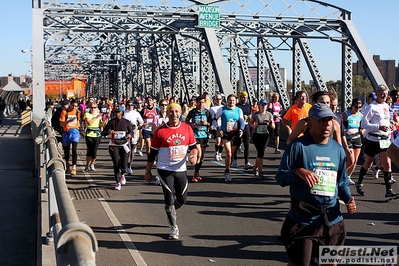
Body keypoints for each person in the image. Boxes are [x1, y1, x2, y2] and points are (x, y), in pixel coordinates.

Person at [275, 103, 356, 266]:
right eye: (321, 120)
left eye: (329, 120)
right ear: (310, 122)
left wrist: (348, 198)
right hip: (303, 220)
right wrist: (298, 172)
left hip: (331, 220)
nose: (327, 124)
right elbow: (280, 177)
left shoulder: (337, 150)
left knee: (330, 263)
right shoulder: (298, 147)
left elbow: (341, 182)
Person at [144, 103, 198, 240]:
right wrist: (148, 171)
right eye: (171, 112)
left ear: (180, 113)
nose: (174, 114)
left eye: (176, 111)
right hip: (164, 169)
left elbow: (193, 147)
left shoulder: (187, 128)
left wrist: (194, 155)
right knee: (169, 197)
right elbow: (152, 153)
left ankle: (171, 210)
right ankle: (174, 227)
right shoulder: (161, 131)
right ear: (167, 113)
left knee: (182, 198)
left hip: (181, 169)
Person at [355, 84, 399, 201]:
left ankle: (388, 191)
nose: (384, 95)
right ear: (377, 93)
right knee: (368, 164)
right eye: (382, 93)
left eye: (386, 93)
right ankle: (359, 182)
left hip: (384, 139)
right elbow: (364, 124)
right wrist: (378, 127)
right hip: (372, 139)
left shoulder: (386, 105)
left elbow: (385, 120)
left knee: (387, 164)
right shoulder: (371, 107)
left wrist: (390, 124)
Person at [213, 94, 245, 182]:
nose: (231, 102)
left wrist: (241, 129)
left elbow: (241, 120)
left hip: (235, 134)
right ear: (227, 101)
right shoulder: (222, 109)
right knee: (229, 153)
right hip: (226, 133)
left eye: (233, 100)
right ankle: (227, 171)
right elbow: (215, 119)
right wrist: (218, 129)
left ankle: (227, 168)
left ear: (236, 101)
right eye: (230, 100)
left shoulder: (239, 110)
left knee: (232, 154)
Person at [101, 107, 132, 190]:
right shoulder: (111, 122)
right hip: (114, 145)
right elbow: (103, 133)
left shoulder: (126, 122)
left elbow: (131, 131)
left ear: (122, 113)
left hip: (124, 145)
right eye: (116, 112)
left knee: (124, 165)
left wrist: (129, 135)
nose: (117, 114)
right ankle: (117, 182)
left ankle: (122, 174)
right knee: (116, 163)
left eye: (119, 112)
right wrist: (109, 132)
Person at [186, 95, 212, 182]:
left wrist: (206, 123)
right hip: (195, 135)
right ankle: (195, 174)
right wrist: (191, 126)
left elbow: (211, 123)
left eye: (202, 102)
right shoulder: (193, 112)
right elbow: (186, 121)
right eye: (199, 102)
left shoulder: (207, 112)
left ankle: (197, 172)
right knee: (199, 153)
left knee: (201, 158)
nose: (201, 104)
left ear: (205, 103)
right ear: (196, 103)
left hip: (204, 136)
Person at [249, 99, 274, 179]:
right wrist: (254, 126)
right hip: (257, 135)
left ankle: (255, 167)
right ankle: (260, 172)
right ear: (259, 106)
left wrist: (270, 122)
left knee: (261, 152)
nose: (264, 106)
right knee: (260, 152)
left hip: (265, 135)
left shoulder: (269, 114)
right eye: (262, 105)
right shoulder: (256, 114)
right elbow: (250, 122)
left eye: (265, 105)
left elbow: (273, 127)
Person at [342, 98, 363, 185]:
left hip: (357, 138)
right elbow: (342, 127)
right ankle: (341, 173)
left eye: (359, 107)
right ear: (352, 106)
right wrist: (347, 131)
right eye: (356, 107)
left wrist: (362, 130)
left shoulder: (361, 115)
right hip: (348, 138)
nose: (357, 109)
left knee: (355, 161)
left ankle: (348, 176)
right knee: (351, 159)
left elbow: (363, 126)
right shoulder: (346, 114)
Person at [59, 99, 81, 176]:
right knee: (66, 150)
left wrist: (80, 129)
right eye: (73, 105)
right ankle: (67, 163)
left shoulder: (77, 112)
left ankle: (74, 167)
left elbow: (78, 121)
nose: (74, 107)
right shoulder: (64, 112)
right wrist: (68, 121)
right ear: (70, 105)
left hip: (75, 132)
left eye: (76, 106)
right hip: (66, 132)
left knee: (74, 149)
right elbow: (61, 123)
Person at [123, 100, 144, 175]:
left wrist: (137, 127)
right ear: (126, 105)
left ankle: (129, 165)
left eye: (132, 105)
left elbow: (141, 122)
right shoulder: (124, 113)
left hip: (134, 131)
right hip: (126, 132)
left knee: (132, 149)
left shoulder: (136, 113)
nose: (130, 106)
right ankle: (126, 165)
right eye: (129, 105)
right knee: (127, 149)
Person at [234, 91, 252, 170]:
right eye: (242, 97)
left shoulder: (248, 106)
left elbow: (250, 115)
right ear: (240, 98)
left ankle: (246, 162)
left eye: (245, 97)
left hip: (246, 127)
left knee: (247, 145)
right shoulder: (237, 106)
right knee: (237, 144)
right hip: (238, 128)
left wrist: (250, 118)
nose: (244, 99)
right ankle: (234, 159)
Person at [83, 102, 103, 172]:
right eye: (91, 107)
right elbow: (89, 122)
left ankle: (92, 164)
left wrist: (103, 121)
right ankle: (87, 164)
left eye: (94, 107)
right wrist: (96, 117)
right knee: (89, 150)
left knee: (94, 151)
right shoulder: (87, 114)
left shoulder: (99, 115)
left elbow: (101, 124)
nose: (93, 109)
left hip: (97, 134)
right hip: (89, 134)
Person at [209, 94, 224, 161]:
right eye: (217, 99)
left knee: (222, 142)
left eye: (220, 99)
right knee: (218, 141)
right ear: (214, 100)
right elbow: (211, 118)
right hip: (216, 126)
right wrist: (211, 125)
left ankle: (220, 153)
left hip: (223, 126)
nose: (219, 100)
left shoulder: (224, 107)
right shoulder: (212, 108)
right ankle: (216, 153)